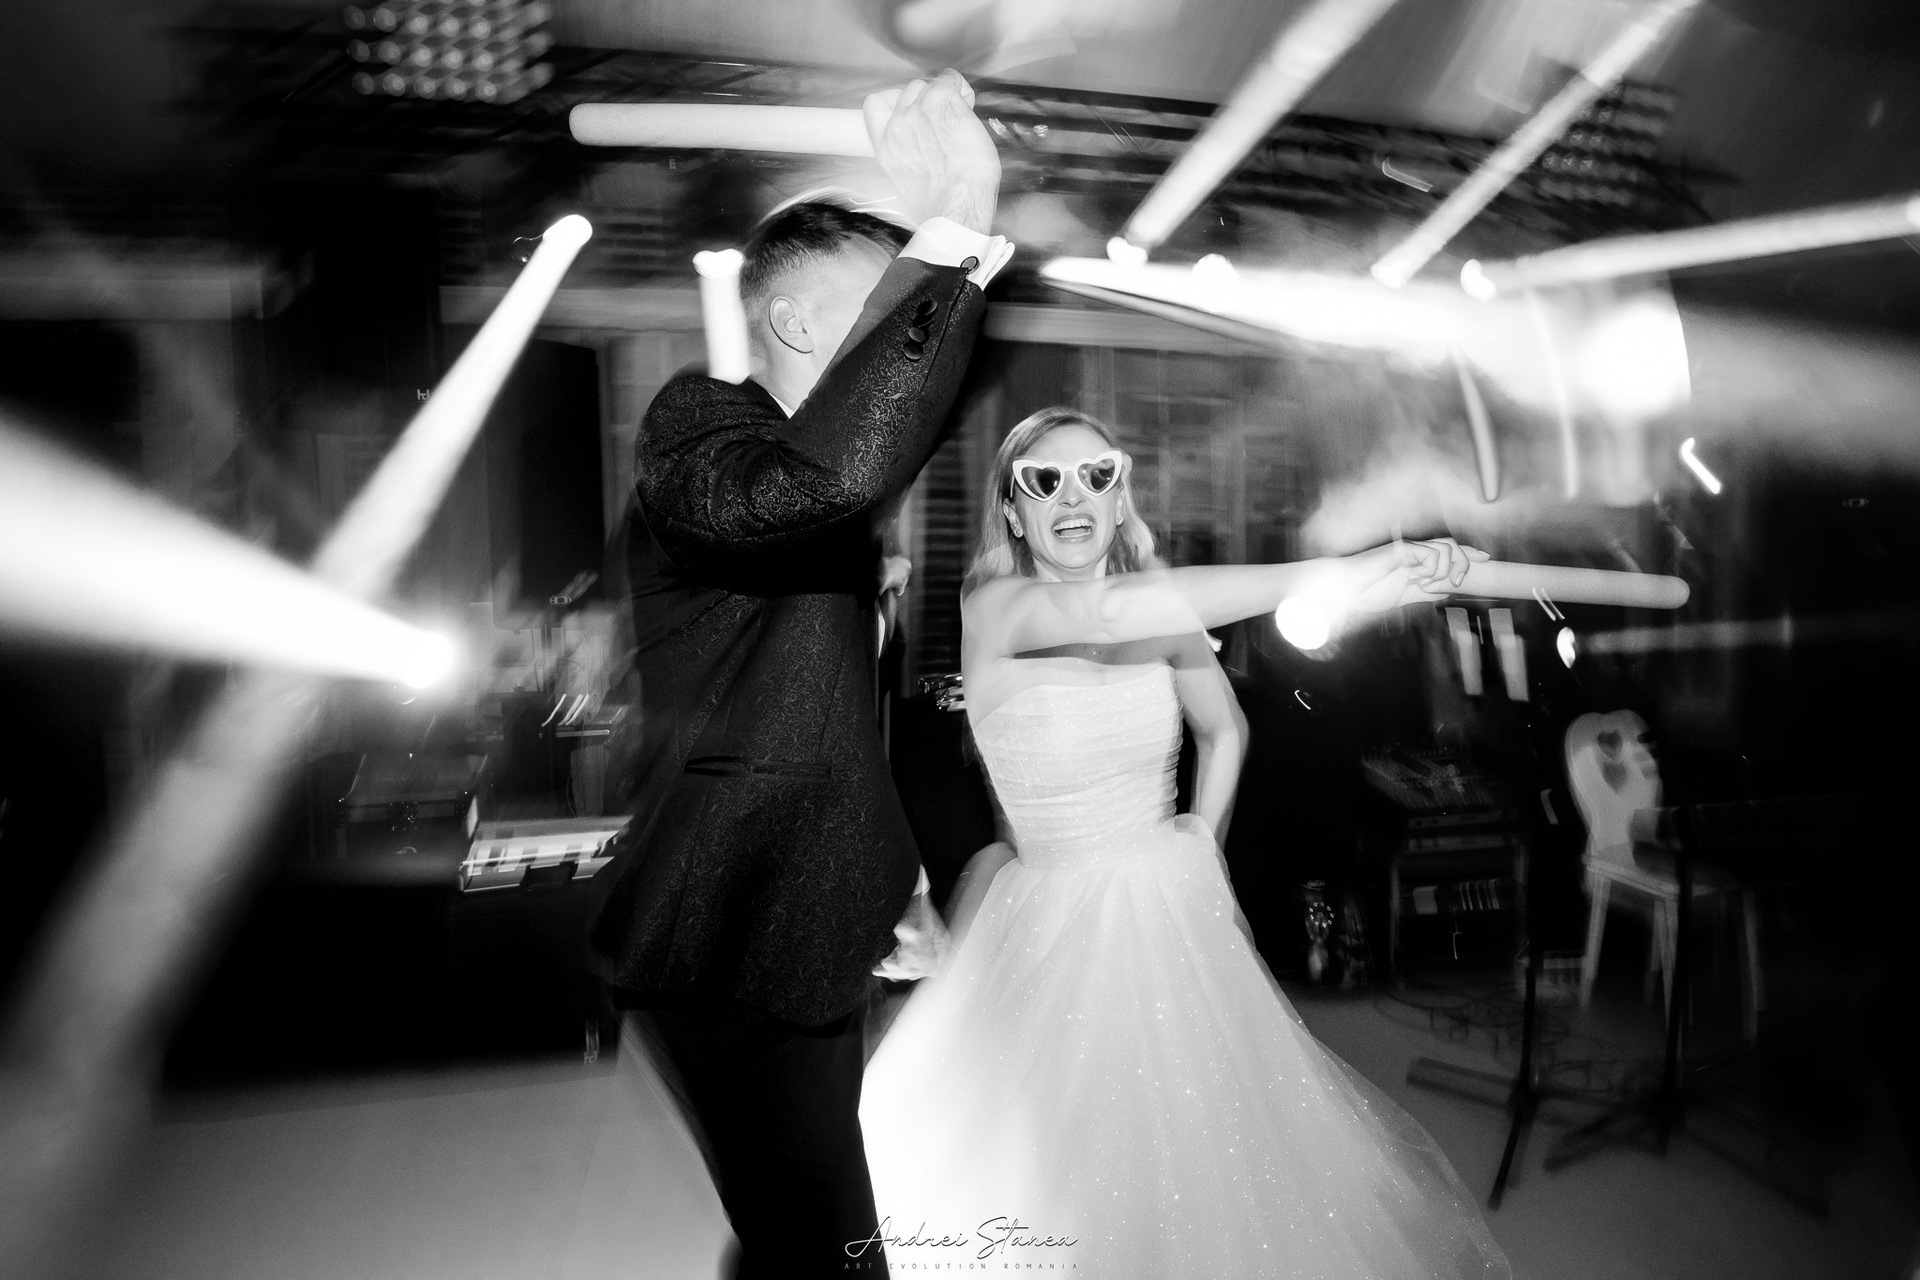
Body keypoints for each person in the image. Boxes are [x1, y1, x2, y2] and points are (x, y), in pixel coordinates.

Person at [858, 406, 1513, 1278]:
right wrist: (1348, 573)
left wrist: (1201, 844)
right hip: (1049, 922)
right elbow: (1107, 613)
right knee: (1058, 1176)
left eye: (1097, 475)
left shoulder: (1158, 613)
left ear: (1119, 496)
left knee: (1216, 1171)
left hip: (1170, 909)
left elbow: (1226, 730)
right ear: (1012, 509)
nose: (1073, 496)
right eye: (1043, 481)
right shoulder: (995, 607)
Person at [587, 70, 1011, 1279]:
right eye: (882, 300)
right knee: (829, 1242)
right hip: (723, 935)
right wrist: (950, 232)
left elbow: (826, 721)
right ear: (798, 322)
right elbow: (826, 475)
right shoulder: (699, 425)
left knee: (802, 1220)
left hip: (803, 920)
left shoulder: (817, 495)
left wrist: (895, 879)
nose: (899, 334)